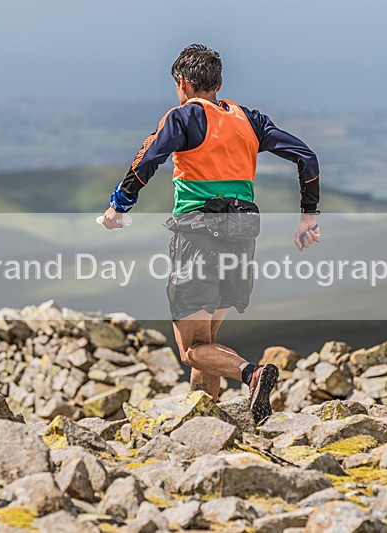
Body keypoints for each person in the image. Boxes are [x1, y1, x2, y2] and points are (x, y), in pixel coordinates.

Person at [100, 44, 320, 423]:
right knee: (207, 345)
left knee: (191, 349)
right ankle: (207, 430)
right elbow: (307, 157)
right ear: (219, 83)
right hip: (242, 236)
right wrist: (308, 216)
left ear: (182, 83)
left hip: (198, 237)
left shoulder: (184, 117)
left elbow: (148, 158)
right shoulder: (249, 119)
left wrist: (118, 206)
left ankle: (251, 375)